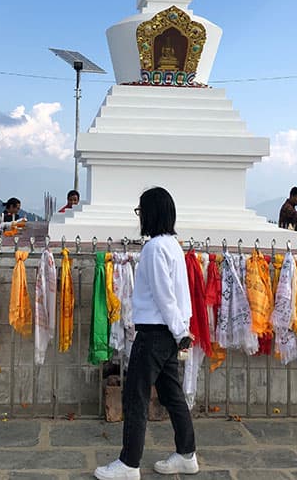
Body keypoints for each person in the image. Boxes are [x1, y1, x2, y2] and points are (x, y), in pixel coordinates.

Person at [94, 187, 198, 480]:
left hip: (154, 332)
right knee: (172, 394)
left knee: (135, 397)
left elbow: (164, 296)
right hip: (169, 333)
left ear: (149, 213)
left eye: (140, 211)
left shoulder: (153, 248)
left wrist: (179, 330)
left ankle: (129, 463)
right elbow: (179, 294)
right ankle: (186, 453)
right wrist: (181, 330)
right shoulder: (173, 246)